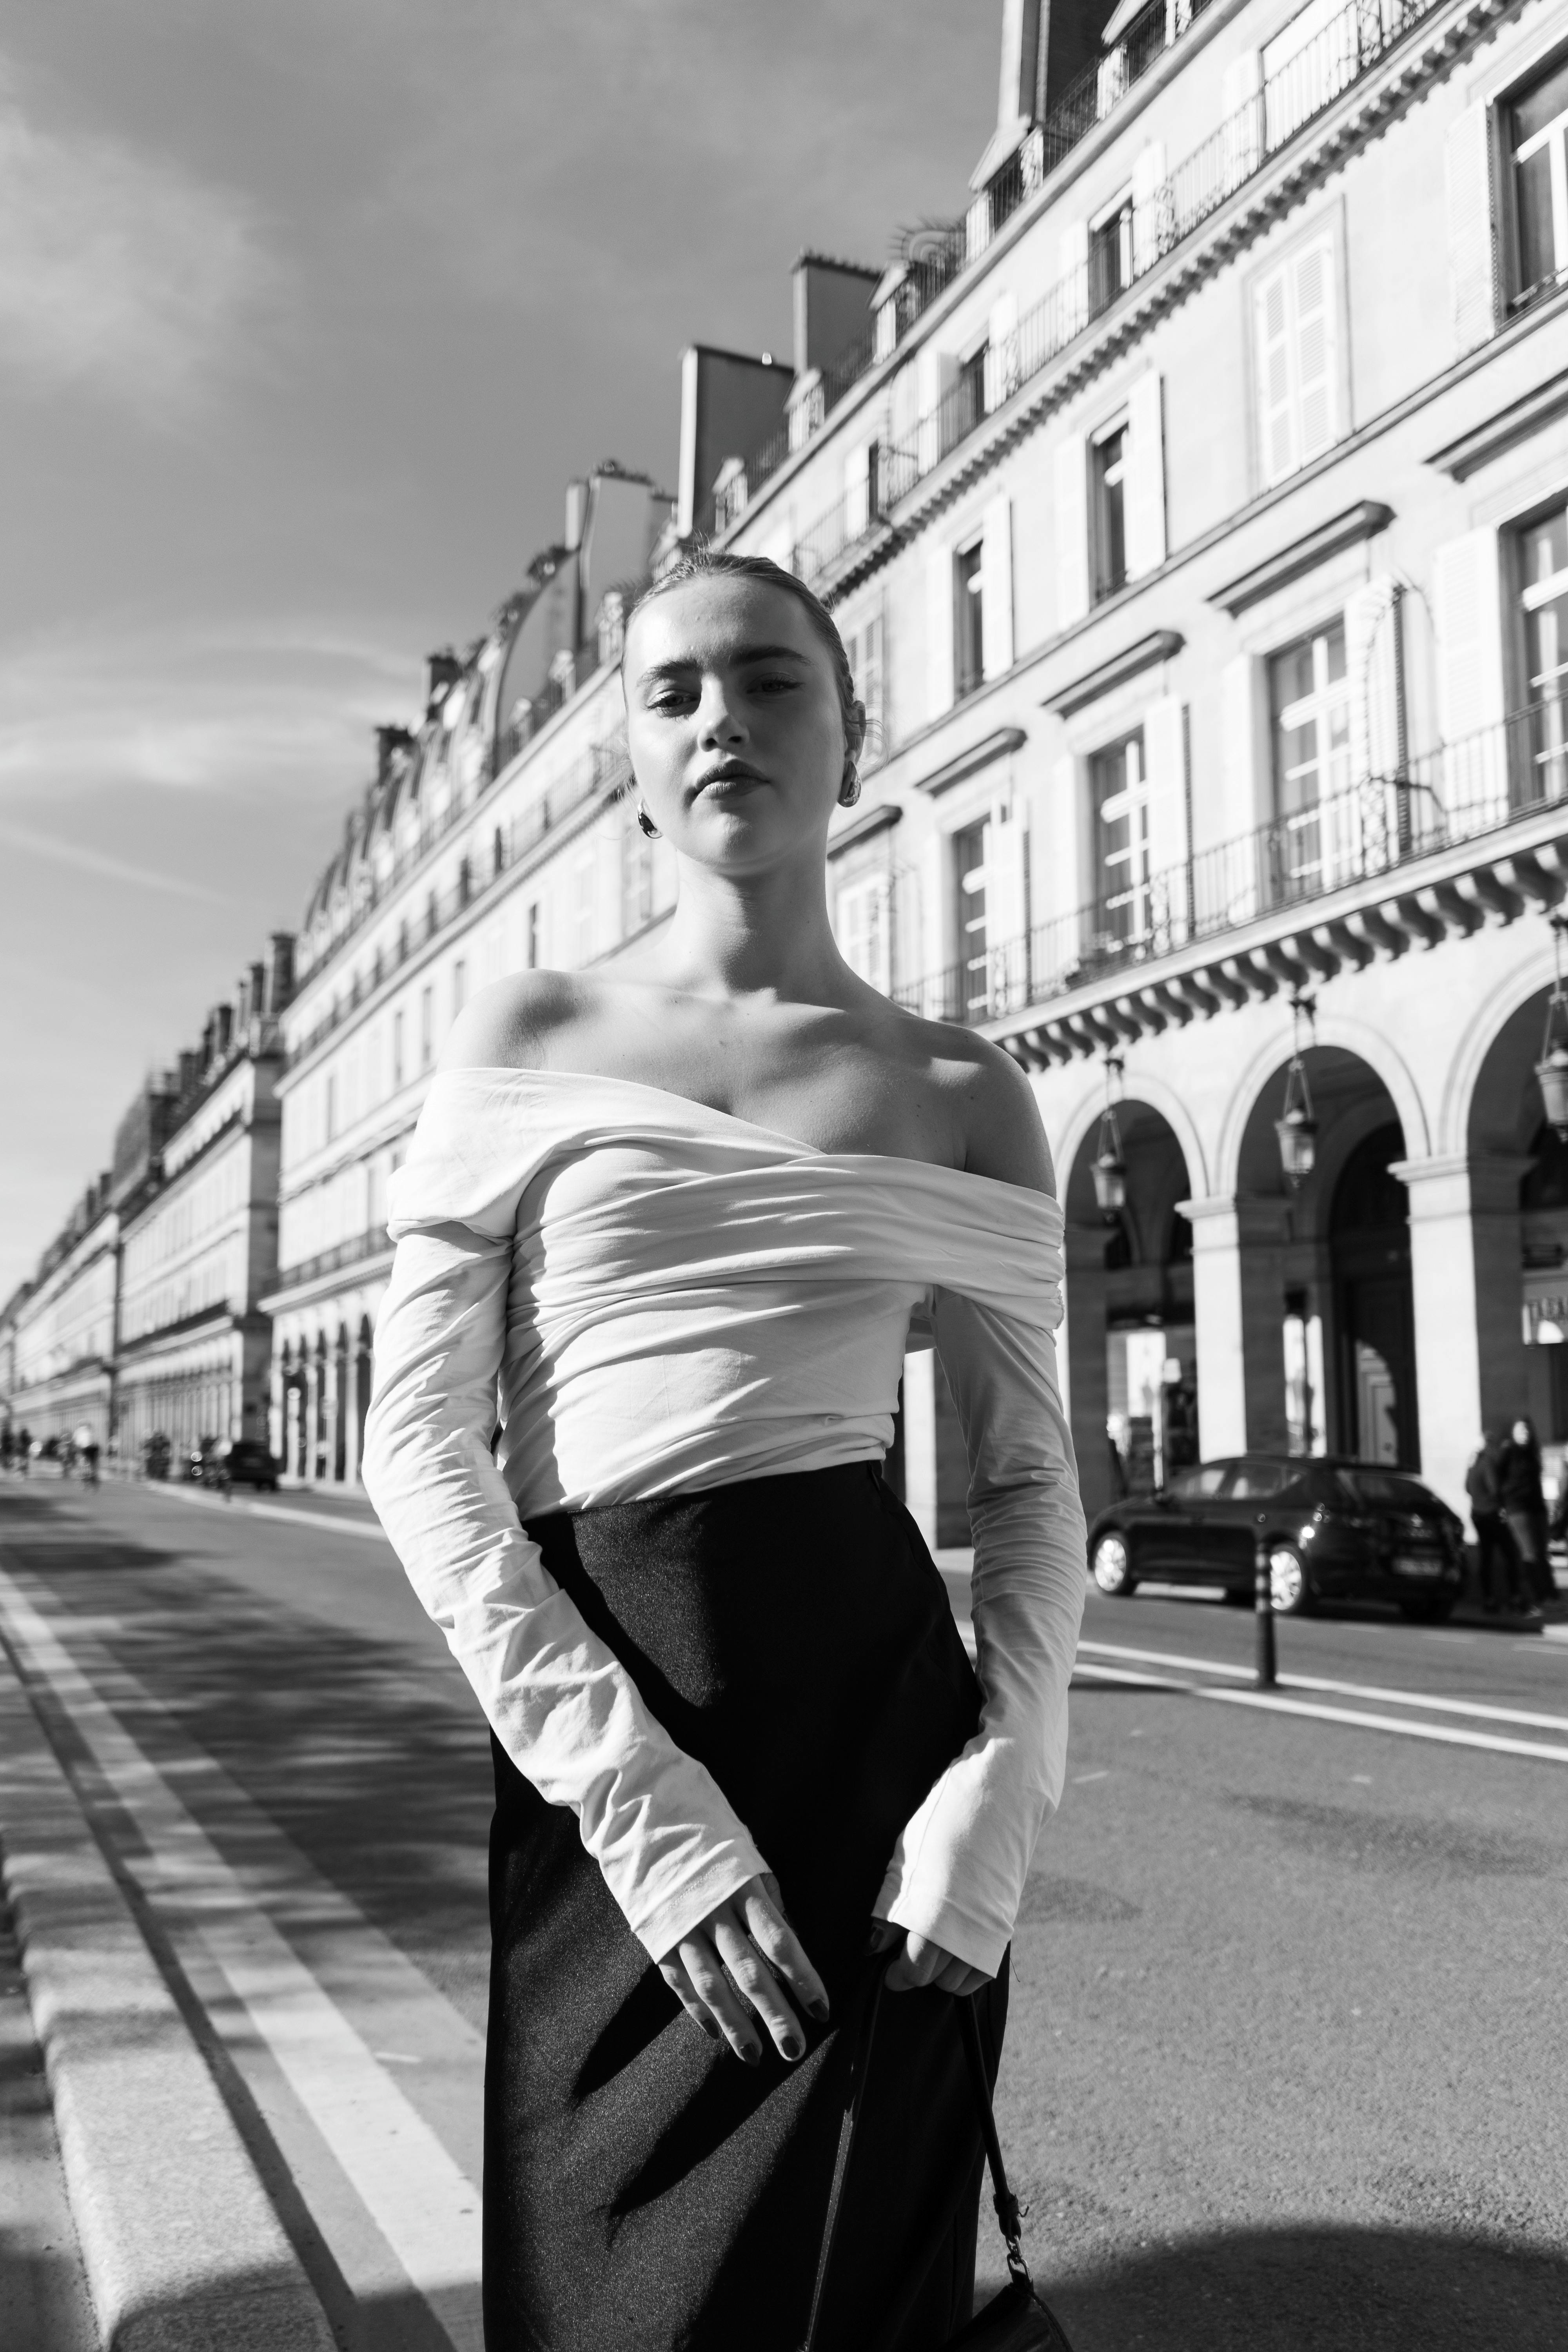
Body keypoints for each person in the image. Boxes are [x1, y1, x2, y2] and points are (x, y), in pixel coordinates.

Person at [362, 549, 1086, 2352]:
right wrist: (639, 1803)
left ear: (852, 734)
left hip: (880, 1767)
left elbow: (1021, 1484)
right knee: (612, 2299)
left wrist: (1007, 1777)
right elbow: (419, 1451)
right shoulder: (526, 1029)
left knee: (857, 2307)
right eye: (674, 690)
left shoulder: (956, 1089)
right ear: (626, 756)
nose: (721, 721)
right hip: (609, 1745)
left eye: (768, 681)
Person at [1466, 1430, 1530, 1615]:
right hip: (1491, 1514)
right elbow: (1495, 1489)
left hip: (1478, 1514)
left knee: (1486, 1557)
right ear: (1489, 1445)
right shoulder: (1488, 1464)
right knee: (1510, 1553)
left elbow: (1467, 1488)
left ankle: (1489, 1598)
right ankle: (1515, 1596)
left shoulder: (1473, 1463)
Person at [1499, 1416, 1553, 1611]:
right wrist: (1502, 1505)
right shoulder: (1508, 1452)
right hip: (1518, 1509)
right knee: (1529, 1554)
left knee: (1542, 1554)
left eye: (1528, 1430)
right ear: (1514, 1433)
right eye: (1522, 1431)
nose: (1526, 1434)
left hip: (1537, 1508)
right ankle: (1533, 1599)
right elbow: (1498, 1479)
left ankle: (1549, 1595)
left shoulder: (1533, 1452)